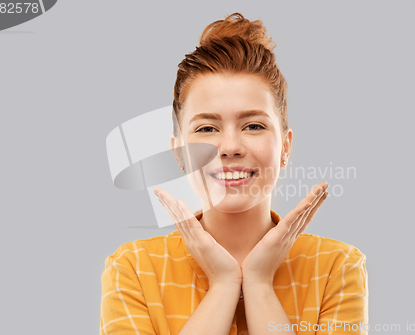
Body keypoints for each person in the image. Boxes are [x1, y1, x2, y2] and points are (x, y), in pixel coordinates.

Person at [100, 12, 368, 335]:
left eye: (253, 125)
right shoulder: (133, 269)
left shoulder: (337, 268)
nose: (229, 147)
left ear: (285, 146)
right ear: (179, 153)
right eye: (207, 128)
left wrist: (259, 283)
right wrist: (224, 284)